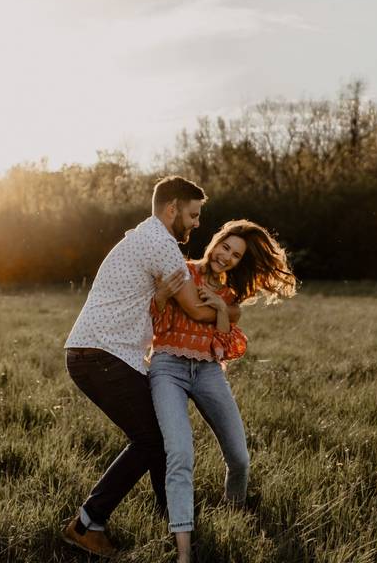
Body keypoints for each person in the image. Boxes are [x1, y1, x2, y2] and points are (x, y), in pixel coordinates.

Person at [61, 176, 239, 557]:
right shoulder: (163, 244)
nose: (196, 224)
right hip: (102, 355)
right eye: (192, 215)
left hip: (96, 352)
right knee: (151, 438)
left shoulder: (143, 236)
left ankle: (171, 518)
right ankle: (87, 523)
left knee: (157, 435)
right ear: (171, 208)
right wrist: (231, 310)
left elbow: (149, 300)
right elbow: (193, 308)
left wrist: (158, 297)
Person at [148, 219, 297, 563]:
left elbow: (224, 344)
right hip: (168, 366)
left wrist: (220, 308)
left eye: (235, 254)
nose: (226, 256)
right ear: (214, 242)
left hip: (207, 371)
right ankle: (184, 552)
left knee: (240, 459)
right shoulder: (181, 269)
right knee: (181, 456)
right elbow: (155, 324)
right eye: (224, 247)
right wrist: (161, 297)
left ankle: (233, 517)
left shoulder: (229, 294)